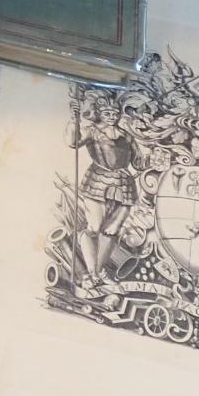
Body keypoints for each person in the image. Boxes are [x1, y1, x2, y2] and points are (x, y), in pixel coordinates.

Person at [66, 96, 140, 293]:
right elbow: (73, 142)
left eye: (115, 113)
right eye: (107, 113)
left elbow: (138, 162)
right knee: (94, 227)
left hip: (124, 185)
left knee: (112, 231)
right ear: (99, 114)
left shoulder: (127, 135)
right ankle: (90, 273)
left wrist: (154, 160)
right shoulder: (93, 131)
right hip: (98, 181)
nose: (112, 116)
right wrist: (74, 120)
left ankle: (99, 272)